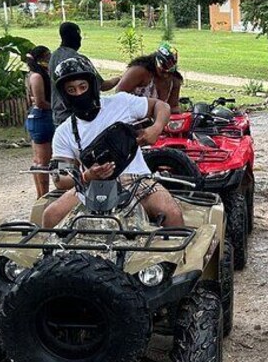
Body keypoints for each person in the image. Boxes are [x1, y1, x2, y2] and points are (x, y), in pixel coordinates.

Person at [41, 56, 184, 229]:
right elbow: (60, 179)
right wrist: (87, 176)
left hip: (136, 178)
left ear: (92, 86)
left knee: (171, 212)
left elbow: (161, 106)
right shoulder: (64, 132)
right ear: (64, 94)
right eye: (71, 90)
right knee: (50, 215)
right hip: (91, 186)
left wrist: (156, 128)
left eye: (82, 87)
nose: (79, 93)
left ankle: (174, 254)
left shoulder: (121, 102)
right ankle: (54, 255)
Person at [49, 22, 119, 125]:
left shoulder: (54, 56)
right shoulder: (79, 61)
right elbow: (103, 86)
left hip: (59, 116)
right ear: (76, 36)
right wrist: (120, 78)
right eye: (79, 35)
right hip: (77, 117)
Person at [115, 43, 183, 113]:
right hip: (129, 116)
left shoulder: (174, 80)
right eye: (163, 69)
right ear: (156, 61)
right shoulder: (139, 71)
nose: (166, 74)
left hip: (157, 121)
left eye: (170, 71)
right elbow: (119, 94)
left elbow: (173, 107)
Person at [24, 45, 55, 198]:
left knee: (39, 160)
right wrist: (57, 108)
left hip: (40, 118)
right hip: (42, 119)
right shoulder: (37, 76)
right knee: (42, 162)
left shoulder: (40, 74)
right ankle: (43, 195)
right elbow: (40, 102)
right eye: (48, 57)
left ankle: (42, 196)